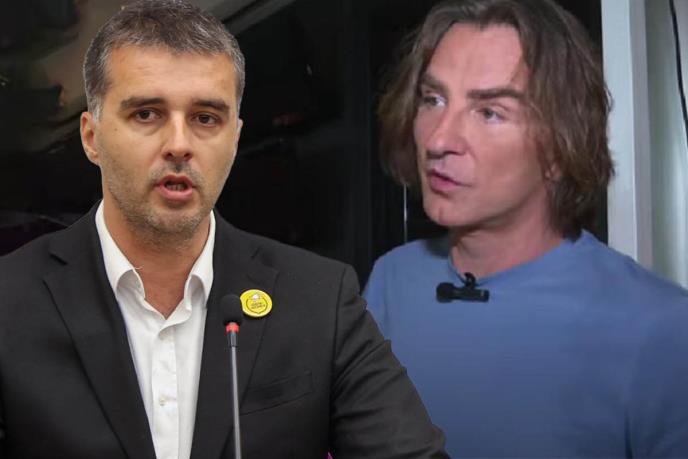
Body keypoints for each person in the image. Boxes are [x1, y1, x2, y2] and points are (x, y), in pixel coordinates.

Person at [0, 1, 449, 458]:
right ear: (92, 136)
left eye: (205, 118)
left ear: (234, 137)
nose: (179, 145)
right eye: (147, 114)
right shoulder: (9, 299)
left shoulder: (319, 299)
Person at [364, 0, 688, 457]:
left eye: (489, 112)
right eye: (433, 99)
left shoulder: (662, 330)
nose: (438, 140)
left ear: (560, 143)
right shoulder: (390, 281)